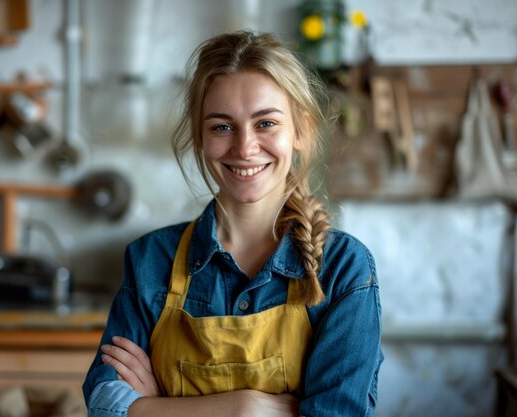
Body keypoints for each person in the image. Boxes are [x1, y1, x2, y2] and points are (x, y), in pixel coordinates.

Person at [83, 30, 383, 417]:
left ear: (302, 131)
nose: (244, 148)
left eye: (266, 124)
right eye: (222, 127)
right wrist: (249, 407)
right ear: (200, 137)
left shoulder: (343, 268)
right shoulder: (150, 260)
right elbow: (106, 405)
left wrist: (152, 408)